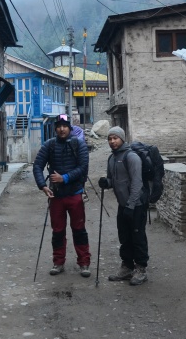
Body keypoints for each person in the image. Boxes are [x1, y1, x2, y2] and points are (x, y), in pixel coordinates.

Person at [33, 113, 91, 277]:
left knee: (79, 229)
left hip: (75, 194)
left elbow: (83, 168)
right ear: (55, 128)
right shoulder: (49, 145)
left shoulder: (79, 145)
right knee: (57, 231)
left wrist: (64, 178)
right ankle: (58, 262)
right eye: (58, 126)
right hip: (56, 196)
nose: (61, 129)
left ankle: (84, 262)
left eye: (65, 126)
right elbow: (37, 166)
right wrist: (43, 186)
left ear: (70, 128)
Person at [98, 126, 149, 286]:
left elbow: (137, 183)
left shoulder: (131, 157)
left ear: (122, 138)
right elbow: (116, 181)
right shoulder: (112, 158)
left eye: (115, 138)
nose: (112, 141)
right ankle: (127, 266)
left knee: (137, 236)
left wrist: (131, 205)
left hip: (136, 204)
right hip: (123, 205)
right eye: (110, 139)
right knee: (124, 236)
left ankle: (141, 269)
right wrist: (106, 183)